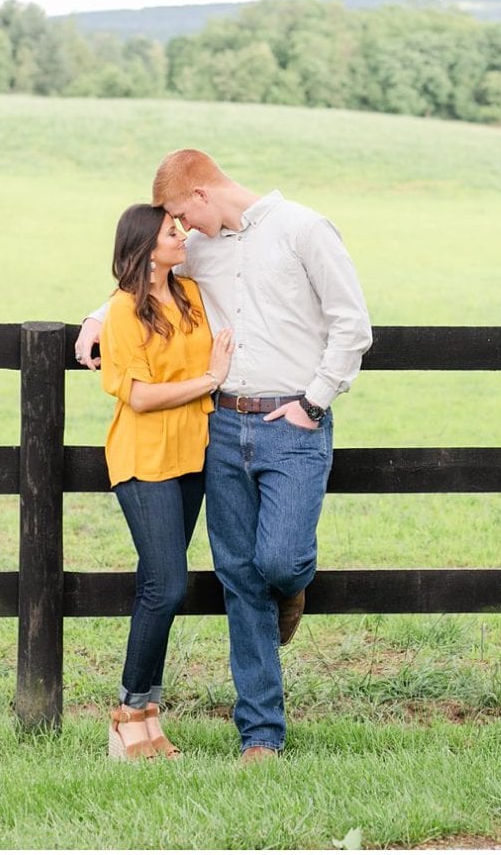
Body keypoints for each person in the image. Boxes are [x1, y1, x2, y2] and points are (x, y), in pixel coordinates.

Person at [78, 150, 372, 762]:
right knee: (239, 578)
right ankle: (260, 734)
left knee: (280, 562)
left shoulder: (303, 230)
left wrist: (312, 404)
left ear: (202, 195)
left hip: (291, 423)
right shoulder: (203, 249)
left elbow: (352, 324)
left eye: (183, 214)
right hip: (221, 427)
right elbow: (144, 282)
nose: (183, 230)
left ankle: (294, 587)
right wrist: (95, 316)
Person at [97, 202, 234, 760]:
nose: (182, 235)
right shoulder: (123, 312)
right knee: (168, 584)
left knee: (157, 584)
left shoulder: (192, 295)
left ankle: (150, 716)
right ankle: (128, 711)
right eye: (170, 231)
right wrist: (210, 380)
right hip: (143, 459)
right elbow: (141, 395)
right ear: (144, 247)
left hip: (191, 457)